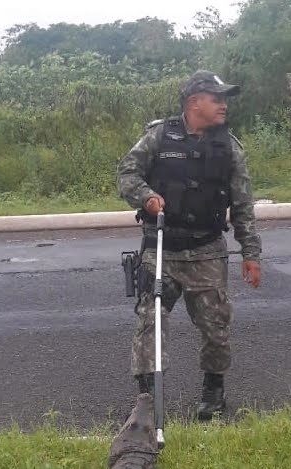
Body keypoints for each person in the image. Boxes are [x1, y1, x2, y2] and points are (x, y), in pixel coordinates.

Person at [116, 70, 262, 420]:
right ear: (194, 102)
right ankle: (147, 402)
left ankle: (213, 394)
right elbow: (127, 175)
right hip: (161, 250)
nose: (224, 105)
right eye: (217, 98)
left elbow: (243, 204)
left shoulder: (229, 147)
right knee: (150, 321)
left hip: (208, 252)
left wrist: (250, 252)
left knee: (216, 328)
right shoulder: (158, 137)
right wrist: (147, 196)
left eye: (225, 98)